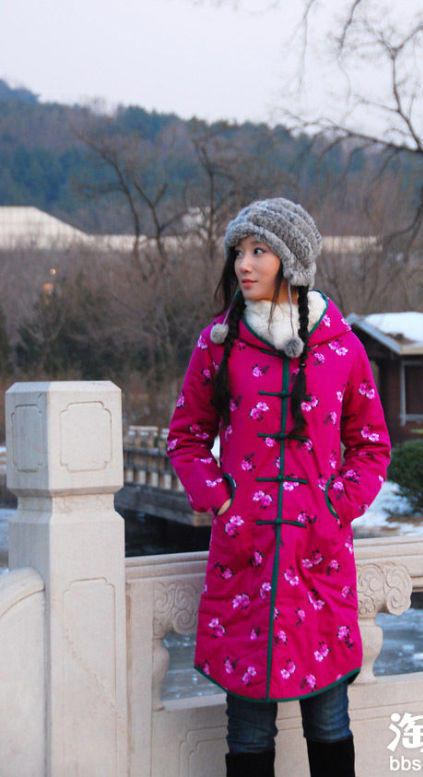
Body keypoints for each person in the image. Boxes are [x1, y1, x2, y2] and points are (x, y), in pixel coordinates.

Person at [167, 197, 391, 777]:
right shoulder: (218, 343)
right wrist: (222, 501)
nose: (243, 264)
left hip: (319, 559)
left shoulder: (342, 347)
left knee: (329, 722)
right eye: (239, 252)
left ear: (290, 261)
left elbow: (371, 445)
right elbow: (186, 437)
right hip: (245, 559)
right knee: (247, 730)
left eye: (259, 251)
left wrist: (336, 506)